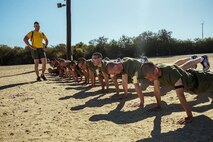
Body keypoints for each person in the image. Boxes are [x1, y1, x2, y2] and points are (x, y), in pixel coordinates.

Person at [141, 55, 211, 124]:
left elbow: (180, 95)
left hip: (203, 81)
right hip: (194, 85)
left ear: (155, 71)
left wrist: (189, 116)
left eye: (150, 77)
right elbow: (156, 91)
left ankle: (201, 59)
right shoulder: (156, 73)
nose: (150, 80)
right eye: (148, 78)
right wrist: (158, 106)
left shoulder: (172, 73)